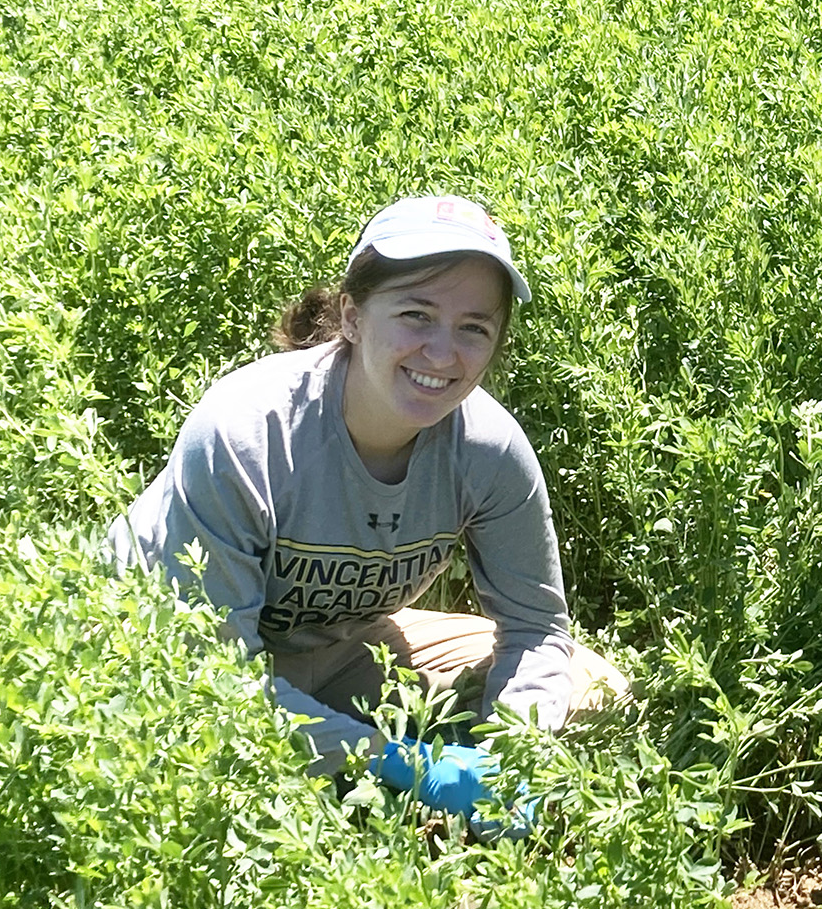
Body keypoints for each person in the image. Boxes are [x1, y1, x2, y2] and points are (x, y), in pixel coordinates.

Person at [111, 195, 626, 826]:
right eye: (416, 315)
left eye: (474, 327)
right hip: (160, 661)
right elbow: (209, 678)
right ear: (353, 316)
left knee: (596, 688)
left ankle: (417, 793)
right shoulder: (246, 433)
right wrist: (398, 762)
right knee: (204, 774)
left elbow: (538, 629)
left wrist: (514, 753)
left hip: (343, 649)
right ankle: (359, 790)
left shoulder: (489, 452)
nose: (443, 353)